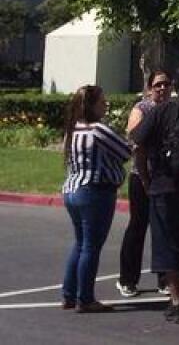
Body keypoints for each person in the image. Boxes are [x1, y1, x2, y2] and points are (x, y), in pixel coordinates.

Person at [130, 62, 179, 324]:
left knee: (168, 245)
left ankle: (177, 303)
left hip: (165, 185)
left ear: (175, 85)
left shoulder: (162, 110)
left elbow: (137, 143)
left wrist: (146, 178)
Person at [61, 84, 130, 313]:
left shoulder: (73, 131)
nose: (106, 104)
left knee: (80, 243)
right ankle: (85, 298)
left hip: (72, 189)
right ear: (91, 105)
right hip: (95, 191)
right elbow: (125, 151)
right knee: (91, 246)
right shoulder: (98, 130)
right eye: (102, 101)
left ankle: (69, 294)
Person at [116, 70, 171, 298]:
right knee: (138, 226)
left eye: (166, 84)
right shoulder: (142, 109)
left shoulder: (173, 109)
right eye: (158, 85)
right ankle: (127, 280)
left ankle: (165, 280)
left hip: (164, 176)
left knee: (165, 229)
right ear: (149, 88)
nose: (162, 88)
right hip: (141, 176)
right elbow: (133, 138)